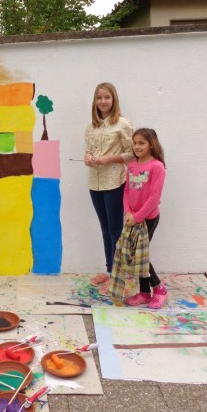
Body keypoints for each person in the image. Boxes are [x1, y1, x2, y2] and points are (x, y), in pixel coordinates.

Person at [84, 82, 134, 293]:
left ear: (114, 100)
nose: (103, 101)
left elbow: (133, 153)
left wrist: (109, 159)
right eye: (99, 98)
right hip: (94, 183)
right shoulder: (91, 126)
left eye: (107, 97)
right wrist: (88, 158)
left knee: (115, 230)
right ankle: (109, 270)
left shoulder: (123, 124)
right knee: (105, 229)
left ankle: (118, 275)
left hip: (114, 181)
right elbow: (88, 150)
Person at [123, 128, 167, 309]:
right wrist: (128, 213)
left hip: (148, 218)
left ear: (151, 145)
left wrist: (138, 217)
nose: (137, 146)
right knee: (136, 255)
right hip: (132, 218)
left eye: (141, 143)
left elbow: (154, 197)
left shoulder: (157, 167)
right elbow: (126, 191)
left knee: (140, 256)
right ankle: (144, 293)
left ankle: (159, 289)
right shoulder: (132, 165)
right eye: (135, 143)